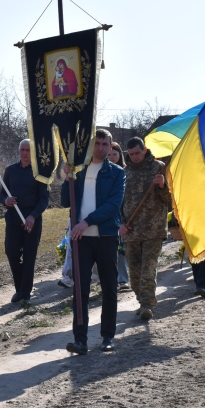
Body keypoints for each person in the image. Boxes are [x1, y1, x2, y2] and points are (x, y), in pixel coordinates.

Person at [61, 129, 126, 354]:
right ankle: (80, 340)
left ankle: (107, 336)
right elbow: (63, 200)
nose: (100, 148)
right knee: (80, 289)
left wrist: (86, 221)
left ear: (110, 146)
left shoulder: (117, 173)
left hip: (106, 237)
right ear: (91, 146)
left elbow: (113, 206)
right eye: (96, 143)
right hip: (82, 240)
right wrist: (66, 177)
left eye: (104, 144)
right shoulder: (79, 171)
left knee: (109, 287)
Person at [119, 137, 170, 321]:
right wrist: (121, 224)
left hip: (153, 229)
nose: (135, 157)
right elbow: (118, 203)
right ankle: (142, 300)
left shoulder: (159, 168)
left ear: (144, 150)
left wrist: (162, 185)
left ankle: (147, 305)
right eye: (131, 154)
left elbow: (169, 199)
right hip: (131, 230)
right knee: (134, 273)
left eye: (137, 153)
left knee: (148, 269)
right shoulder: (124, 173)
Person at [1, 140, 49, 303]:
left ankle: (25, 293)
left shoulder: (39, 173)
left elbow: (44, 200)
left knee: (29, 256)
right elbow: (2, 194)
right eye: (22, 149)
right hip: (13, 217)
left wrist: (32, 216)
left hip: (32, 218)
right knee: (11, 252)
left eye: (28, 150)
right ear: (18, 151)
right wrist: (5, 200)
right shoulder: (10, 170)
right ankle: (19, 287)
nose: (24, 153)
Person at [108, 142, 131, 292]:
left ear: (120, 156)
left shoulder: (125, 172)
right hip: (108, 215)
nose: (111, 157)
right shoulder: (102, 172)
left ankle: (123, 279)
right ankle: (110, 278)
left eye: (114, 155)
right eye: (109, 155)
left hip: (123, 215)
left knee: (121, 250)